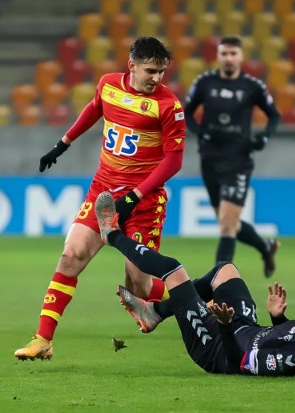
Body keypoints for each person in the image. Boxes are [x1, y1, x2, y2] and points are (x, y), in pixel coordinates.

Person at [14, 36, 186, 360]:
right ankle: (42, 339)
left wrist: (135, 197)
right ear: (131, 65)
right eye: (151, 71)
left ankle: (200, 298)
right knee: (70, 256)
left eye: (162, 72)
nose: (157, 78)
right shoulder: (108, 85)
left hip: (144, 202)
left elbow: (174, 160)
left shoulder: (169, 107)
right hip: (103, 191)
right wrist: (62, 144)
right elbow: (94, 110)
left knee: (139, 286)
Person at [94, 191, 295, 376]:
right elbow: (282, 338)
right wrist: (278, 316)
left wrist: (224, 326)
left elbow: (240, 363)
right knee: (225, 270)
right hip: (243, 327)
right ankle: (153, 313)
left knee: (173, 271)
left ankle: (112, 234)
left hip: (216, 349)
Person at [184, 35, 282, 278]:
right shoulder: (205, 82)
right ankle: (265, 247)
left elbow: (274, 115)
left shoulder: (252, 86)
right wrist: (199, 133)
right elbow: (186, 112)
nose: (228, 58)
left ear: (241, 57)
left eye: (233, 54)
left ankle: (218, 284)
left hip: (239, 160)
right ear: (218, 56)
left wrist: (264, 137)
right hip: (210, 160)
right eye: (224, 54)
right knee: (228, 223)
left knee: (227, 225)